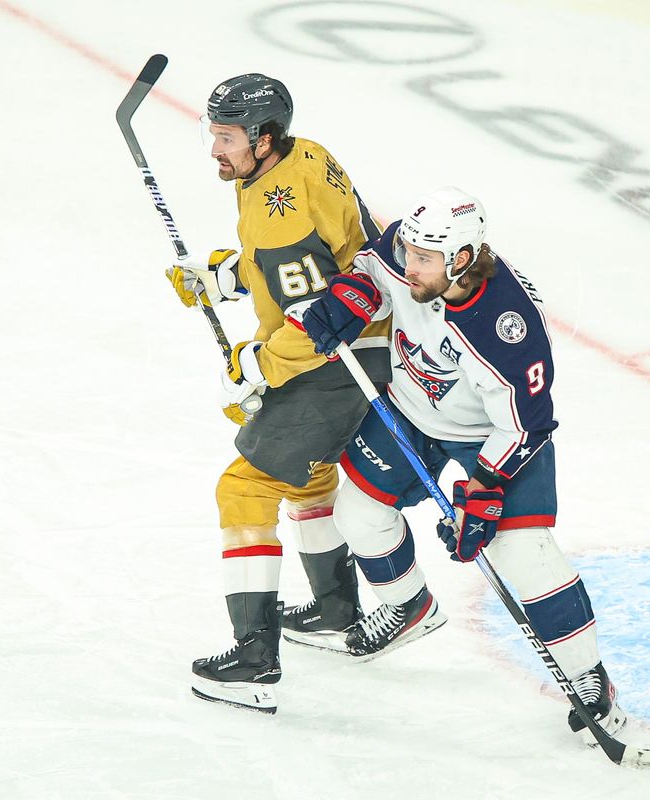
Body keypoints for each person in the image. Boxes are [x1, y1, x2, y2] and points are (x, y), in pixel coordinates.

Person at [292, 187, 628, 742]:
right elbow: (374, 269)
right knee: (357, 513)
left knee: (522, 552)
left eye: (424, 260)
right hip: (410, 410)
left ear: (463, 260)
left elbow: (525, 424)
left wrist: (483, 491)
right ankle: (408, 608)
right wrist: (349, 301)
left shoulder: (507, 325)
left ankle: (590, 677)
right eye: (411, 252)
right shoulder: (412, 248)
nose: (410, 264)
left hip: (490, 437)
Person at [166, 73, 395, 714]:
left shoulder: (276, 213)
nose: (216, 149)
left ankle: (254, 657)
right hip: (371, 350)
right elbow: (310, 266)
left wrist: (258, 367)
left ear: (264, 139)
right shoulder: (306, 157)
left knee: (243, 487)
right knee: (309, 478)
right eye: (213, 133)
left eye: (228, 136)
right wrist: (225, 278)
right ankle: (333, 608)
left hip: (336, 359)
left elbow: (319, 317)